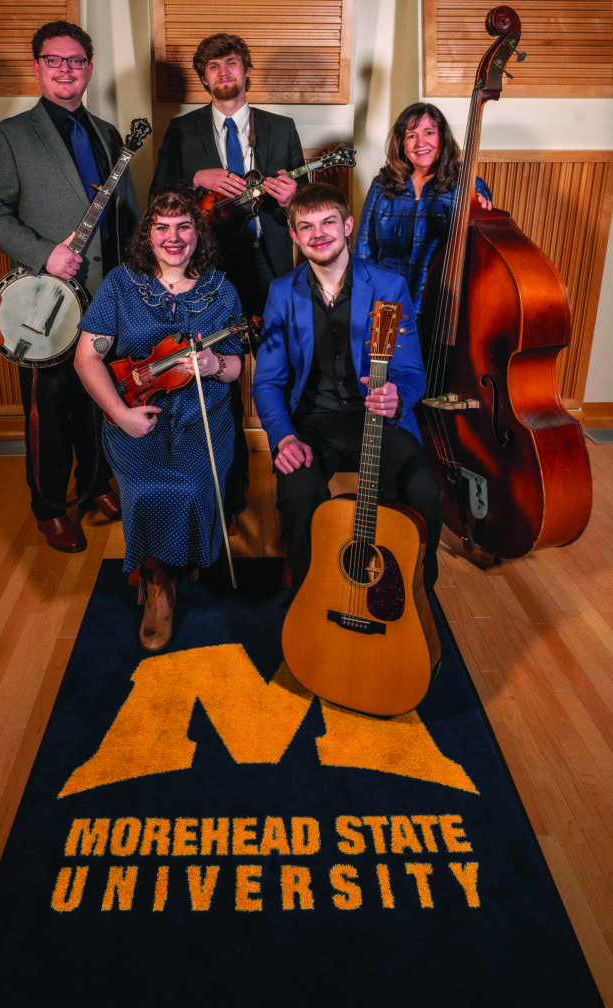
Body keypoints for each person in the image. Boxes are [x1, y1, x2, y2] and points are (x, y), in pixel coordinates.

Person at [0, 20, 140, 553]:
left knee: (98, 396)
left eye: (76, 60)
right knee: (49, 406)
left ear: (89, 69)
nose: (66, 69)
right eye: (54, 60)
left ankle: (94, 484)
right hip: (47, 299)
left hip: (107, 293)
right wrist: (45, 252)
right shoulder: (9, 134)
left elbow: (126, 214)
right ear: (38, 66)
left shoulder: (109, 134)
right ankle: (48, 506)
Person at [75, 185, 244, 653]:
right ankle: (158, 582)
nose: (173, 237)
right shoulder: (121, 284)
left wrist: (214, 364)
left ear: (198, 233)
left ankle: (178, 560)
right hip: (135, 412)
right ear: (147, 235)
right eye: (162, 227)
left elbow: (236, 367)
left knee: (189, 485)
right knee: (147, 487)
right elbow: (87, 359)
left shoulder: (221, 290)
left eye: (184, 227)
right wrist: (120, 414)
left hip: (203, 415)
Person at [252, 182, 442, 594]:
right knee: (300, 493)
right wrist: (284, 438)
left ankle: (415, 597)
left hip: (377, 418)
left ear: (348, 225)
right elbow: (266, 382)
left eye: (328, 222)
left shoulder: (389, 287)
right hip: (311, 421)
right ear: (294, 235)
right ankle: (311, 596)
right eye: (306, 226)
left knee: (425, 491)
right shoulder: (281, 294)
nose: (318, 234)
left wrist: (397, 398)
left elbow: (411, 372)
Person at [151, 32, 307, 513]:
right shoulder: (182, 130)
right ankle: (230, 494)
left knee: (282, 375)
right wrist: (195, 179)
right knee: (217, 383)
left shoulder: (281, 128)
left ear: (247, 70)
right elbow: (158, 196)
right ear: (204, 78)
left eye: (232, 63)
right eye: (213, 66)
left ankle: (295, 494)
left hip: (268, 268)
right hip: (207, 274)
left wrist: (292, 199)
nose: (224, 72)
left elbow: (304, 209)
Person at [355, 102, 492, 320]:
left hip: (443, 308)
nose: (420, 143)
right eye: (411, 136)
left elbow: (480, 258)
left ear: (442, 138)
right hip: (388, 303)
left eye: (429, 132)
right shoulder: (382, 185)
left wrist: (483, 218)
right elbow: (364, 250)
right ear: (401, 143)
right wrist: (368, 299)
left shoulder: (469, 187)